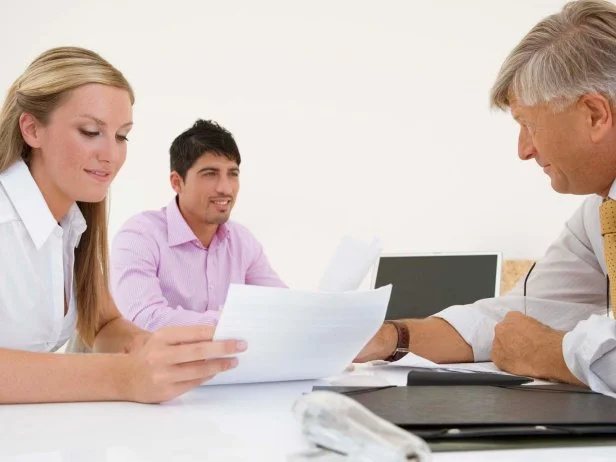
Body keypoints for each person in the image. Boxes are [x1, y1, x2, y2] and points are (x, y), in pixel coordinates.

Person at [356, 0, 616, 397]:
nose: (523, 150)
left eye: (528, 124)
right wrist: (389, 338)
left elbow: (533, 343)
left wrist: (549, 353)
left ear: (595, 115)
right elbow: (511, 321)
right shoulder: (598, 216)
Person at [0, 47, 245, 404]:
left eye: (121, 136)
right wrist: (122, 377)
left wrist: (148, 348)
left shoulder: (71, 224)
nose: (111, 156)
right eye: (90, 131)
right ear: (32, 129)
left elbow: (103, 324)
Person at [111, 119, 286, 330]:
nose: (225, 188)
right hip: (145, 363)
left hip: (217, 362)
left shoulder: (242, 240)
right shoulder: (140, 235)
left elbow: (283, 308)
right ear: (177, 182)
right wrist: (234, 322)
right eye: (210, 174)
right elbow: (145, 318)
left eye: (233, 174)